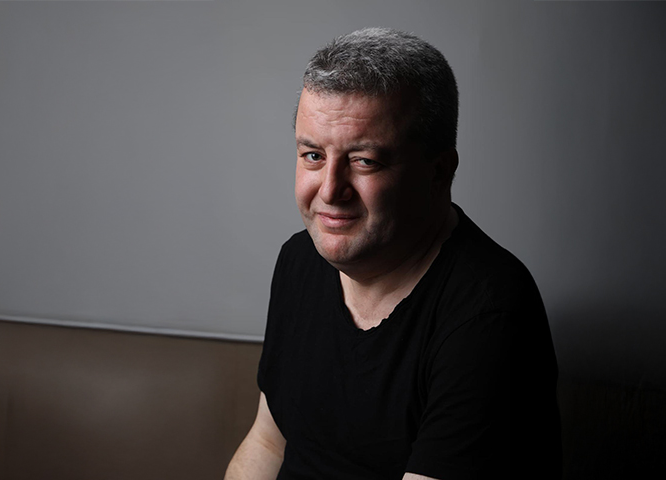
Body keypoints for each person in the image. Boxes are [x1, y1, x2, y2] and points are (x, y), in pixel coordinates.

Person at [225, 27, 561, 480]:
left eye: (364, 161)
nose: (330, 190)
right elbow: (268, 442)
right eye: (313, 155)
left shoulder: (489, 311)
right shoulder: (299, 261)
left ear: (438, 172)